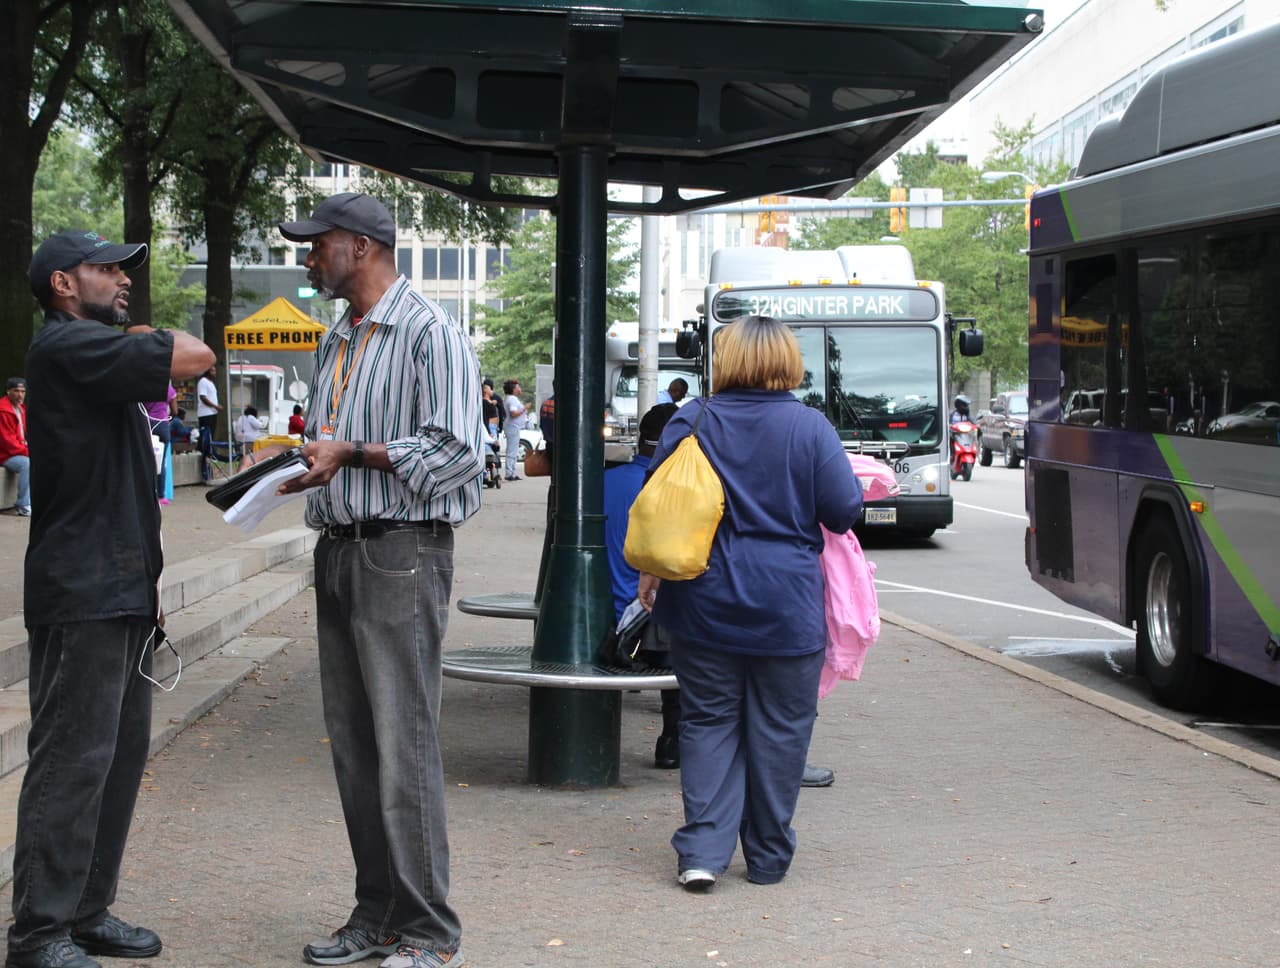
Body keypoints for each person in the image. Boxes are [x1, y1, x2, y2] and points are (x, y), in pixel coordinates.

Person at [275, 192, 482, 968]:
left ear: (361, 247)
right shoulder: (340, 340)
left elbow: (460, 451)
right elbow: (334, 446)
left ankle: (428, 931)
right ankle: (378, 915)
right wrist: (302, 471)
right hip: (341, 547)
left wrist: (351, 454)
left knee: (404, 744)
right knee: (358, 751)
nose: (307, 258)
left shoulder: (430, 332)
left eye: (316, 244)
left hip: (401, 553)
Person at [13, 229, 215, 968]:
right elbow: (195, 355)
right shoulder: (68, 347)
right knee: (72, 760)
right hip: (84, 590)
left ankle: (87, 910)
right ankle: (38, 933)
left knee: (117, 758)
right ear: (64, 284)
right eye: (106, 269)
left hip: (120, 586)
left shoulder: (94, 357)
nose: (124, 278)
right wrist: (148, 335)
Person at [638, 315, 862, 892]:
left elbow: (662, 504)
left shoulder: (692, 420)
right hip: (786, 606)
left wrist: (648, 570)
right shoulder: (810, 429)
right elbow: (842, 509)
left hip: (703, 599)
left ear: (725, 359)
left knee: (708, 720)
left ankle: (703, 854)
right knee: (782, 729)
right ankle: (767, 859)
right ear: (788, 362)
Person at [603, 403, 681, 768]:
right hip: (645, 630)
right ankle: (672, 741)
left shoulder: (603, 482)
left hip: (603, 619)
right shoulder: (671, 492)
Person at [0, 377, 30, 515]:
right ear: (8, 391)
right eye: (16, 391)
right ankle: (23, 505)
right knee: (26, 463)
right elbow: (8, 443)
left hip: (16, 451)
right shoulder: (3, 411)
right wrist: (28, 451)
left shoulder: (21, 409)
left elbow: (23, 435)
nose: (20, 395)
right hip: (4, 454)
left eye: (23, 391)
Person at [196, 364, 222, 480]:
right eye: (212, 370)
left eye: (215, 370)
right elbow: (203, 397)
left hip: (212, 414)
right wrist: (215, 406)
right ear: (207, 371)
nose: (215, 373)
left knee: (211, 439)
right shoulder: (203, 382)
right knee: (206, 439)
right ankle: (204, 462)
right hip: (206, 414)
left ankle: (208, 462)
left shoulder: (211, 383)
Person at [501, 378, 526, 480]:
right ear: (514, 389)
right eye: (518, 387)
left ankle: (511, 472)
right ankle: (509, 473)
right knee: (512, 450)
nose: (520, 389)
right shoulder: (512, 399)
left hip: (511, 426)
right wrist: (525, 408)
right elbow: (513, 413)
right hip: (513, 427)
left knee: (513, 450)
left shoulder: (508, 398)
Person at [234, 406, 268, 471]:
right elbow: (260, 425)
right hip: (250, 441)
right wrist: (260, 421)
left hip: (240, 441)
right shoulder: (250, 417)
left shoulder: (241, 418)